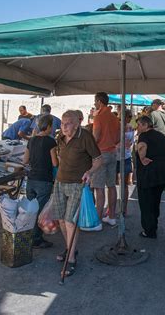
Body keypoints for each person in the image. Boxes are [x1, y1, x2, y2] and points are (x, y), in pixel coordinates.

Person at [53, 110, 102, 276]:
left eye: (68, 124)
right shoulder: (60, 136)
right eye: (62, 123)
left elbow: (98, 160)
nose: (64, 127)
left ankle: (71, 259)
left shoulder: (86, 137)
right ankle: (69, 248)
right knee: (60, 219)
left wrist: (89, 172)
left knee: (70, 222)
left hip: (77, 184)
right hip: (60, 182)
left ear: (77, 124)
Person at [23, 115, 58, 248]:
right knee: (40, 211)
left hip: (31, 180)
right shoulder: (51, 142)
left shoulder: (31, 140)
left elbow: (24, 160)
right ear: (48, 126)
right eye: (52, 126)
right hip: (44, 180)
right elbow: (55, 162)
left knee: (31, 210)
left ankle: (28, 235)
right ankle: (36, 239)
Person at [136, 116, 165, 239]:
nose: (138, 127)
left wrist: (142, 158)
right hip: (161, 174)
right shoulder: (160, 135)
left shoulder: (143, 136)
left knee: (146, 203)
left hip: (147, 175)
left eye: (139, 125)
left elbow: (142, 147)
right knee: (155, 202)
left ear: (146, 125)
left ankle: (149, 231)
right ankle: (153, 225)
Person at [92, 92, 120, 227]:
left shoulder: (99, 117)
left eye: (95, 101)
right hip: (113, 152)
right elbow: (118, 138)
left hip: (101, 154)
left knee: (99, 188)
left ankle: (97, 219)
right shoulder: (115, 117)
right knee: (111, 185)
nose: (94, 104)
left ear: (99, 102)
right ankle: (112, 216)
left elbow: (96, 137)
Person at [116, 109, 135, 215]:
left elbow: (129, 143)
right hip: (121, 157)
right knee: (121, 184)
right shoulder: (119, 126)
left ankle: (124, 208)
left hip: (123, 157)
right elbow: (129, 143)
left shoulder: (129, 127)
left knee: (122, 184)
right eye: (129, 116)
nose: (129, 119)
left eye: (130, 117)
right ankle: (122, 208)